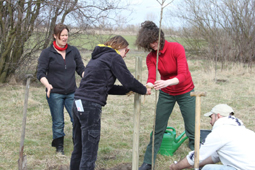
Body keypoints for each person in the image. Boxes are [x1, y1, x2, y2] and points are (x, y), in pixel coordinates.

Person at [70, 35, 149, 170]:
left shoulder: (97, 58)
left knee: (79, 147)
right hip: (90, 107)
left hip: (78, 103)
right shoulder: (114, 57)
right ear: (119, 47)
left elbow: (104, 86)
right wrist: (143, 89)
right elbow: (128, 80)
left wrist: (126, 91)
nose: (125, 55)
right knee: (89, 152)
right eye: (126, 50)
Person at [135, 21, 196, 170]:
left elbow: (183, 74)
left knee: (192, 128)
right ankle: (148, 162)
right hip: (166, 94)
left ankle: (199, 157)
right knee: (158, 127)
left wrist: (166, 82)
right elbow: (151, 77)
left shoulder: (176, 48)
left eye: (155, 41)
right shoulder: (151, 57)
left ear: (160, 37)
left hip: (185, 91)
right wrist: (148, 86)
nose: (153, 45)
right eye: (150, 43)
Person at [37, 23, 85, 154]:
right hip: (55, 93)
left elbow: (80, 68)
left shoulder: (73, 51)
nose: (64, 38)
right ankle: (59, 147)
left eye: (66, 35)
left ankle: (78, 145)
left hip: (72, 92)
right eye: (62, 35)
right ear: (55, 36)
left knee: (77, 118)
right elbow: (40, 73)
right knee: (58, 121)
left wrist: (86, 76)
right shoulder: (47, 53)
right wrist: (47, 85)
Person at [169, 104, 255, 170]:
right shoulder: (247, 132)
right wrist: (193, 165)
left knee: (208, 169)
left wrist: (176, 167)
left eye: (211, 117)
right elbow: (214, 157)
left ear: (218, 116)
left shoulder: (220, 132)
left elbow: (196, 156)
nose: (210, 122)